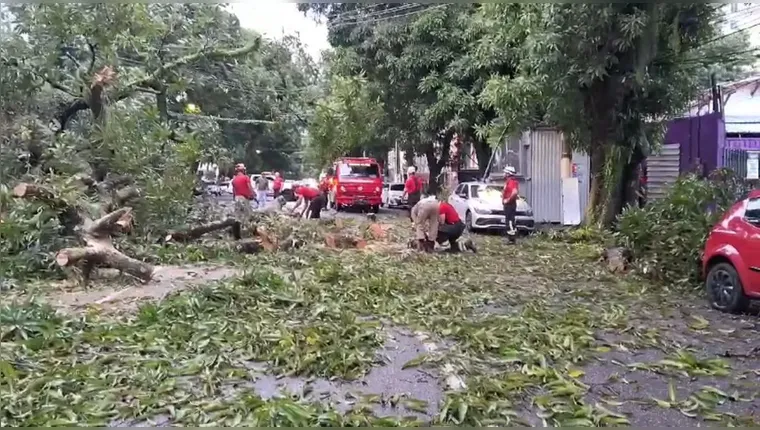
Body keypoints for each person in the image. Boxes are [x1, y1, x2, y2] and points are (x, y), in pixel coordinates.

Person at [502, 166, 519, 244]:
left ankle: (512, 239)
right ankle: (510, 238)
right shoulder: (508, 181)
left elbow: (514, 192)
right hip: (508, 204)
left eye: (505, 172)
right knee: (508, 220)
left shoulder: (512, 181)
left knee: (510, 221)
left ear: (508, 173)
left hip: (510, 204)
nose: (503, 174)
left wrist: (508, 200)